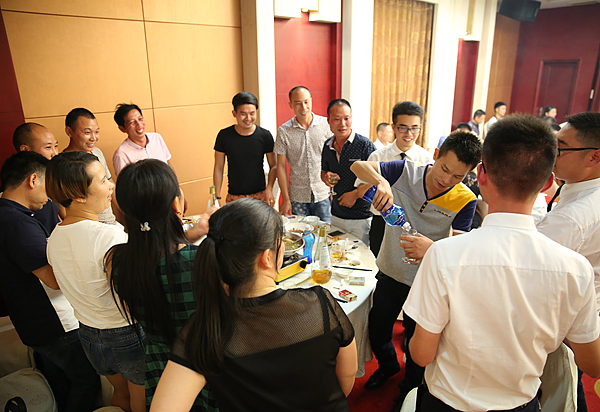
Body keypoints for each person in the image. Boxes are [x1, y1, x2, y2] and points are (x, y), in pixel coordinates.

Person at [404, 114, 600, 412]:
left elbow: (421, 355)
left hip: (445, 402)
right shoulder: (576, 269)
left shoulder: (443, 255)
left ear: (481, 175)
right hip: (520, 404)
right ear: (548, 182)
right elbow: (592, 363)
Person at [150, 198, 357, 411]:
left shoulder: (206, 328)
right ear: (266, 257)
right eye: (280, 241)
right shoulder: (321, 304)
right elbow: (347, 377)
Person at [350, 131, 480, 406]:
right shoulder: (404, 171)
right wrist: (382, 182)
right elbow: (357, 167)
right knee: (377, 329)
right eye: (444, 169)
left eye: (458, 176)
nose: (446, 180)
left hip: (427, 281)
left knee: (415, 343)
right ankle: (388, 366)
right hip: (390, 272)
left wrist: (431, 248)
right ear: (436, 155)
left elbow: (460, 249)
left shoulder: (465, 199)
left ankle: (409, 390)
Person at [107, 159, 217, 411]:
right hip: (205, 364)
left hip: (159, 363)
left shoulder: (118, 260)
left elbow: (154, 253)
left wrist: (192, 234)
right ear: (177, 204)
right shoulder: (199, 261)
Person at [46, 152, 146, 412]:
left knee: (120, 394)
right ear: (80, 194)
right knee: (141, 399)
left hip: (89, 335)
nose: (111, 186)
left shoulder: (54, 238)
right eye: (103, 180)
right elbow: (129, 293)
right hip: (125, 332)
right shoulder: (109, 236)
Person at [0, 151, 100, 412]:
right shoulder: (16, 222)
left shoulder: (9, 214)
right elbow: (53, 279)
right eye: (48, 186)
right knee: (86, 380)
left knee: (60, 382)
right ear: (33, 180)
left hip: (33, 323)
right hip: (52, 323)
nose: (50, 196)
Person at [537, 112, 600, 412]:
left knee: (562, 388)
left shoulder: (577, 216)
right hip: (582, 311)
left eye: (560, 148)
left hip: (569, 321)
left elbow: (524, 261)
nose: (552, 154)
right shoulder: (580, 188)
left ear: (594, 157)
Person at [362, 101, 433, 257]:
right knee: (377, 263)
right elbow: (361, 188)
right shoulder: (377, 156)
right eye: (403, 128)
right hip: (381, 223)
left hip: (414, 223)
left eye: (414, 128)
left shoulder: (427, 160)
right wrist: (379, 187)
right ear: (394, 127)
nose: (409, 134)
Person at [321, 99, 376, 244]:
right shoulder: (327, 146)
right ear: (328, 120)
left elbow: (378, 181)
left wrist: (355, 194)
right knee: (336, 252)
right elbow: (324, 171)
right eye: (337, 119)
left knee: (359, 255)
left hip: (361, 217)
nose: (342, 124)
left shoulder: (365, 145)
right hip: (336, 215)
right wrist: (326, 176)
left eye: (346, 118)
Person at [275, 86, 332, 222]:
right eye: (298, 103)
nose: (303, 107)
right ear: (290, 105)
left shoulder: (326, 125)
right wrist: (285, 198)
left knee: (325, 231)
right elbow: (281, 167)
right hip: (297, 196)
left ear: (311, 101)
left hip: (322, 193)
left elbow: (334, 158)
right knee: (300, 231)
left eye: (306, 102)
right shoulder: (284, 131)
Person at [213, 91, 276, 205]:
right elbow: (218, 167)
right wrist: (216, 197)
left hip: (260, 195)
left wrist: (269, 188)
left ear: (257, 111)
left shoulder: (265, 135)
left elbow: (274, 165)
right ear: (234, 113)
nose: (248, 118)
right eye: (243, 114)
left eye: (252, 113)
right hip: (234, 196)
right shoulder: (224, 135)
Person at [63, 107, 118, 224]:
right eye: (87, 132)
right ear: (69, 131)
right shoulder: (64, 164)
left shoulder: (97, 152)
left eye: (96, 132)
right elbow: (63, 206)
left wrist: (123, 214)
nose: (93, 138)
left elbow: (111, 184)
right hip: (89, 227)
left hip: (110, 223)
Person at [12, 122, 63, 231]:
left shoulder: (50, 176)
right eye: (48, 147)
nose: (55, 153)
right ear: (25, 150)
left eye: (55, 146)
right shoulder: (21, 187)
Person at [112, 103, 173, 177]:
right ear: (122, 128)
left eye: (140, 119)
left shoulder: (157, 138)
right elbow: (124, 182)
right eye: (132, 122)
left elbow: (168, 164)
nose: (139, 124)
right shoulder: (121, 154)